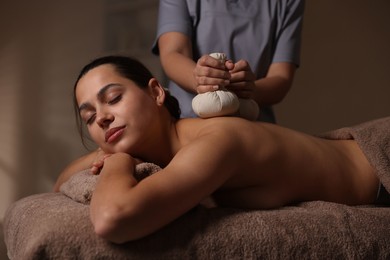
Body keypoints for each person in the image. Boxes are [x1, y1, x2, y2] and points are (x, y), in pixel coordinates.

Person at [54, 55, 379, 244]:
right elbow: (60, 182)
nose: (103, 118)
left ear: (156, 93)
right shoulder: (172, 150)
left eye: (113, 99)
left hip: (378, 166)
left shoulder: (215, 141)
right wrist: (107, 153)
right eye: (90, 117)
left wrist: (118, 162)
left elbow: (113, 219)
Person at [152, 0, 305, 122]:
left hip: (253, 128)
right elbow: (173, 52)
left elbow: (282, 77)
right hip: (189, 121)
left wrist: (251, 89)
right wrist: (199, 78)